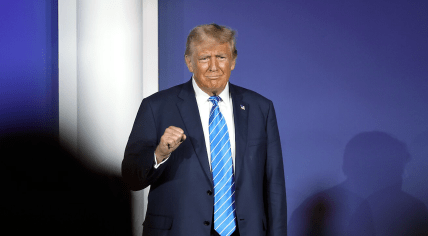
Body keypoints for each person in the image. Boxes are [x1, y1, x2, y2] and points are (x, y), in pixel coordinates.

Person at [122, 23, 287, 236]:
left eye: (221, 57)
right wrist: (159, 153)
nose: (213, 66)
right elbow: (130, 177)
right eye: (204, 58)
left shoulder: (260, 108)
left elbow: (274, 185)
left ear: (233, 61)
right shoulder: (156, 107)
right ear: (189, 62)